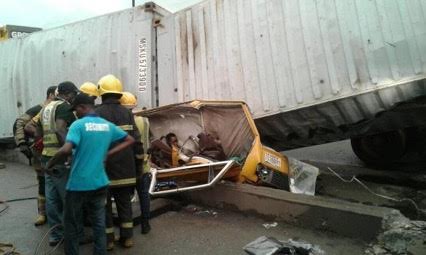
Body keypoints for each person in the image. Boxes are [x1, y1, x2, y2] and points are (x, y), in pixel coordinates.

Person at [46, 93, 135, 255]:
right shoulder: (107, 125)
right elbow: (129, 140)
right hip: (100, 183)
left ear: (82, 107)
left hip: (78, 184)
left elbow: (66, 149)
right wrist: (108, 154)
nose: (75, 113)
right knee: (99, 223)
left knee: (72, 224)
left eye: (76, 110)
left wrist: (50, 163)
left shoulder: (78, 125)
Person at [27, 81, 79, 246]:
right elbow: (59, 129)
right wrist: (68, 151)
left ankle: (56, 235)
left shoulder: (46, 108)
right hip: (60, 158)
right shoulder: (63, 107)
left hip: (46, 157)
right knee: (67, 197)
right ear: (68, 93)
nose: (74, 97)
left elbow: (37, 133)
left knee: (51, 198)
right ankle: (72, 234)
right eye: (74, 94)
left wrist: (40, 153)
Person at [95, 75, 143, 250]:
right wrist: (139, 166)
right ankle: (127, 238)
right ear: (118, 93)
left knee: (105, 207)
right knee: (125, 205)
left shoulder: (96, 113)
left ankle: (108, 241)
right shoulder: (127, 114)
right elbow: (137, 142)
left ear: (101, 93)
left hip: (103, 171)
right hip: (126, 171)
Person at [13, 85, 57, 226]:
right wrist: (22, 143)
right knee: (43, 182)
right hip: (40, 152)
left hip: (56, 152)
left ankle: (55, 213)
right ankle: (42, 213)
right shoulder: (38, 110)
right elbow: (20, 122)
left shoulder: (58, 108)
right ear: (50, 95)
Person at [120, 91, 151, 234]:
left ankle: (127, 226)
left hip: (129, 166)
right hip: (144, 164)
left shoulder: (124, 121)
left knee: (125, 197)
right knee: (144, 194)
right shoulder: (144, 120)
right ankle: (146, 224)